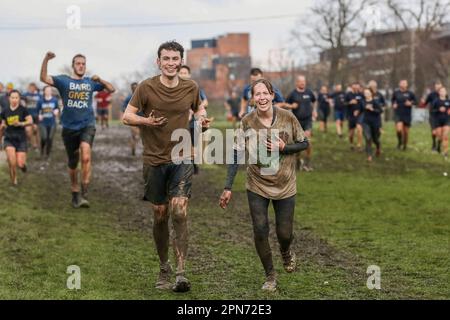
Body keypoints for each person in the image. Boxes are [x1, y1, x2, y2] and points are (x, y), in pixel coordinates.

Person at [122, 41, 211, 293]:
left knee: (180, 211)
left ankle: (181, 273)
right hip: (154, 159)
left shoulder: (191, 87)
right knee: (160, 215)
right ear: (158, 61)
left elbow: (199, 108)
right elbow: (127, 116)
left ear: (181, 61)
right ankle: (164, 266)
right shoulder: (145, 87)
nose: (171, 63)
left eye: (175, 59)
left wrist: (202, 120)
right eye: (166, 59)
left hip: (181, 157)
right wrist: (146, 121)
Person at [219, 79, 309, 292]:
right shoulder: (247, 121)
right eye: (256, 94)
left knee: (284, 234)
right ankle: (270, 275)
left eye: (264, 93)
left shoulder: (288, 117)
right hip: (257, 183)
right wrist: (228, 186)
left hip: (285, 183)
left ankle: (286, 252)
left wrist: (284, 147)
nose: (261, 98)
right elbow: (236, 153)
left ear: (272, 95)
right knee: (260, 229)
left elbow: (305, 143)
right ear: (252, 99)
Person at [40, 51, 115, 208]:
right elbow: (43, 78)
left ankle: (85, 190)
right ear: (73, 66)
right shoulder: (63, 81)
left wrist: (99, 79)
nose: (81, 66)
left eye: (83, 64)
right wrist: (46, 59)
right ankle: (75, 191)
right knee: (73, 163)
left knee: (86, 156)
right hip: (69, 127)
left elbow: (111, 89)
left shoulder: (90, 82)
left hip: (87, 124)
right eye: (78, 63)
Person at [178, 65, 208, 175]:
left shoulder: (194, 88)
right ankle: (184, 165)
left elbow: (205, 102)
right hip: (179, 122)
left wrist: (194, 109)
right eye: (181, 73)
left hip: (193, 123)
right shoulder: (174, 89)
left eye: (185, 73)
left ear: (189, 75)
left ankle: (194, 164)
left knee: (192, 144)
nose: (183, 75)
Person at [283, 75, 316, 171]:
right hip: (296, 122)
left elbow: (314, 101)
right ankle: (298, 161)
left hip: (308, 120)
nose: (302, 83)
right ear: (296, 83)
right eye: (300, 81)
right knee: (298, 143)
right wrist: (291, 106)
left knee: (307, 140)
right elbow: (284, 105)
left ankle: (307, 163)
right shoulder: (292, 94)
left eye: (304, 81)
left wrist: (315, 111)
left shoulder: (309, 92)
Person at [0, 90, 33, 185]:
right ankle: (14, 180)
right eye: (12, 97)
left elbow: (30, 121)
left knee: (20, 163)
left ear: (19, 99)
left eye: (16, 98)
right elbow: (2, 124)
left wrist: (21, 123)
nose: (14, 100)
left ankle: (23, 166)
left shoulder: (23, 109)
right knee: (12, 161)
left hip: (21, 139)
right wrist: (2, 126)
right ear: (9, 98)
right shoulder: (5, 111)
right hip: (9, 138)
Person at [392, 80, 417, 151]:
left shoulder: (410, 93)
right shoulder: (396, 92)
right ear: (399, 84)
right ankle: (399, 142)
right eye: (401, 83)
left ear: (407, 85)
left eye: (404, 83)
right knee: (399, 130)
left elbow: (415, 102)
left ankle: (405, 145)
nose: (403, 84)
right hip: (398, 114)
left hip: (407, 114)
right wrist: (394, 104)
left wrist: (410, 103)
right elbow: (393, 100)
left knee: (406, 132)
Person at [36, 86, 59, 158]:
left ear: (51, 92)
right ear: (44, 91)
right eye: (47, 90)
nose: (48, 92)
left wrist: (57, 111)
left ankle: (47, 154)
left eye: (50, 90)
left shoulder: (54, 100)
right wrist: (39, 116)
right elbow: (37, 111)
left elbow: (57, 108)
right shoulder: (40, 101)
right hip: (43, 122)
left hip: (52, 122)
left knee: (50, 138)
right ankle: (42, 149)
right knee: (44, 138)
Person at [361, 88, 383, 162]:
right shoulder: (363, 101)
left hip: (375, 123)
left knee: (375, 139)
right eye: (365, 93)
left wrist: (372, 109)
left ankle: (378, 147)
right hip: (366, 122)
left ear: (371, 93)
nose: (366, 94)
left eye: (368, 93)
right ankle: (369, 156)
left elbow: (380, 111)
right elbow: (361, 108)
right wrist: (357, 111)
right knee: (368, 138)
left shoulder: (375, 102)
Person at [431, 86, 450, 158]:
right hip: (438, 120)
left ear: (446, 92)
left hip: (447, 120)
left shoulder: (448, 101)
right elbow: (432, 111)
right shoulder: (436, 101)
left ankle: (445, 152)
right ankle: (438, 145)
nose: (442, 92)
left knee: (445, 136)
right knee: (440, 136)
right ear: (439, 93)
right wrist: (438, 109)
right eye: (441, 91)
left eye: (444, 91)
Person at [121, 82, 140, 156]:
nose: (135, 89)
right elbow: (123, 107)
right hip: (133, 120)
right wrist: (127, 112)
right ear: (131, 89)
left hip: (142, 119)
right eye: (133, 88)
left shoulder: (142, 96)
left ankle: (135, 145)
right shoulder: (129, 98)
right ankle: (133, 149)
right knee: (135, 134)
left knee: (140, 136)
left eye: (136, 87)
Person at [345, 82, 364, 151]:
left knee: (359, 128)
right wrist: (350, 102)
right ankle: (351, 143)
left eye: (357, 85)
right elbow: (344, 104)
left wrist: (359, 110)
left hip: (360, 115)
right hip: (351, 115)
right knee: (351, 133)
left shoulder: (361, 94)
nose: (356, 87)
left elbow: (364, 104)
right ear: (351, 86)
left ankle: (359, 145)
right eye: (354, 85)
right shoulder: (348, 95)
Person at [425, 81, 443, 152]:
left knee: (440, 133)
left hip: (441, 116)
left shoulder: (445, 94)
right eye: (437, 86)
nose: (438, 88)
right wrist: (422, 103)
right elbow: (425, 103)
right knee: (434, 132)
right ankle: (434, 144)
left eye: (439, 86)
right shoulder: (431, 95)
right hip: (433, 115)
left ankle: (438, 147)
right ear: (435, 87)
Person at [23, 83, 42, 151]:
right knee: (28, 130)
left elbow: (42, 104)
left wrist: (41, 114)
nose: (31, 89)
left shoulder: (39, 95)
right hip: (28, 116)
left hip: (36, 115)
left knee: (36, 130)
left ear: (35, 88)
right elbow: (20, 100)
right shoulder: (25, 95)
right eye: (30, 87)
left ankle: (39, 146)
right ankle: (33, 145)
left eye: (33, 87)